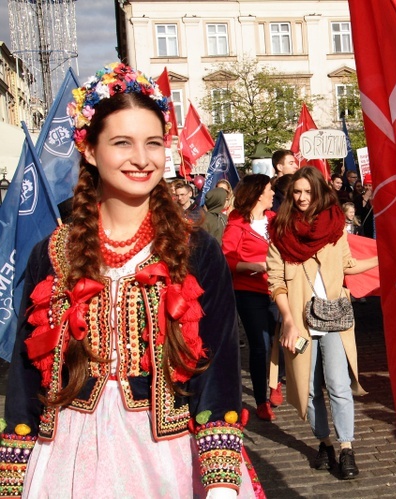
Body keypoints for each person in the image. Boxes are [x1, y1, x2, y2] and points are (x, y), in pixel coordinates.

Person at [0, 63, 262, 498]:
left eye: (153, 143)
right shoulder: (51, 253)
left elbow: (217, 365)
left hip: (171, 455)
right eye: (122, 143)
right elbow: (29, 373)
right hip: (68, 453)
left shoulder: (196, 249)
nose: (142, 159)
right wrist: (12, 476)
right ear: (88, 150)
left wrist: (219, 481)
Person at [266, 167, 378, 480]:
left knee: (339, 386)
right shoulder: (280, 230)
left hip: (333, 317)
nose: (301, 198)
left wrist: (385, 256)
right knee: (309, 390)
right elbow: (275, 281)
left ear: (318, 193)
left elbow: (348, 265)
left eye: (307, 192)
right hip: (299, 323)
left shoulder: (334, 226)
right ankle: (324, 442)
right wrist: (287, 320)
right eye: (296, 192)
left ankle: (346, 448)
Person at [222, 174, 283, 421]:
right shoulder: (236, 223)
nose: (273, 195)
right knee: (261, 345)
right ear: (259, 194)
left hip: (277, 290)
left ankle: (274, 380)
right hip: (249, 292)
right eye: (269, 190)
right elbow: (227, 259)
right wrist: (252, 266)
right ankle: (261, 400)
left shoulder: (275, 220)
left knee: (278, 341)